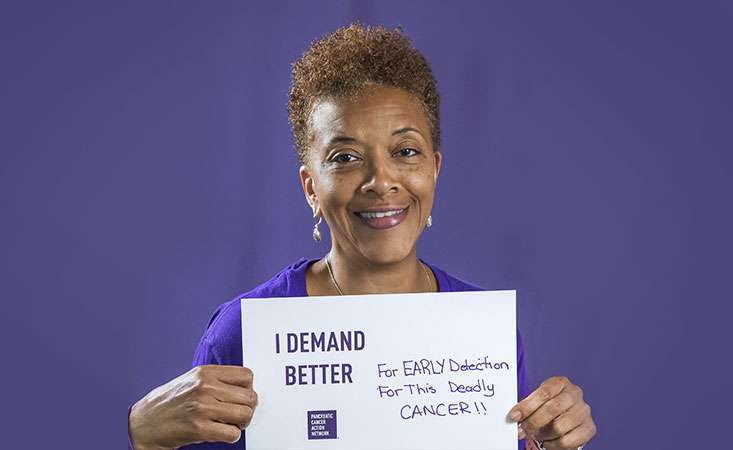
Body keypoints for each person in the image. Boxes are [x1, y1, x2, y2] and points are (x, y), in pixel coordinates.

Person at [128, 23, 596, 450]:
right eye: (345, 157)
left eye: (405, 151)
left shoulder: (482, 334)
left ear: (434, 169)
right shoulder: (242, 332)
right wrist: (145, 437)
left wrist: (555, 446)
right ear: (311, 186)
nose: (380, 180)